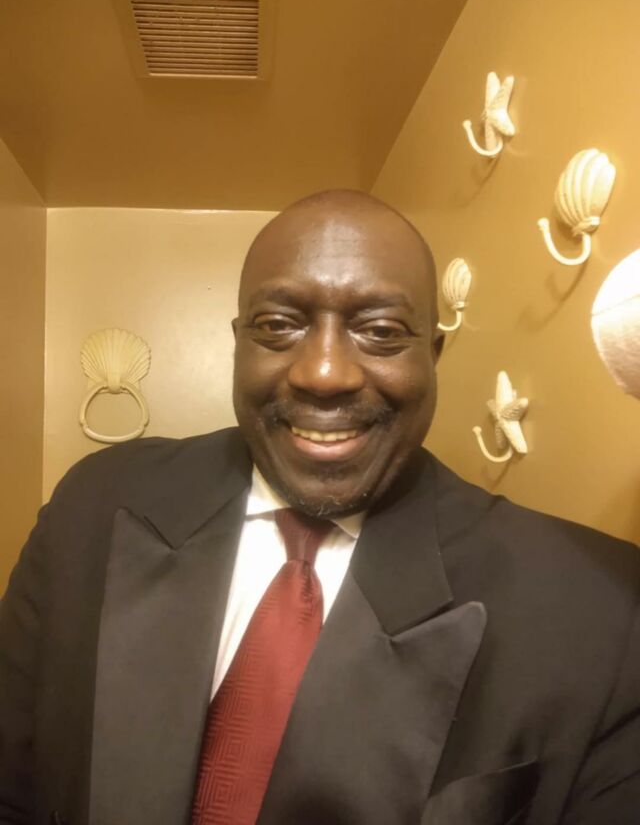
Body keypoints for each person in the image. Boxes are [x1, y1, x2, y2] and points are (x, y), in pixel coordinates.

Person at [1, 190, 639, 825]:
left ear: (433, 355)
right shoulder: (95, 506)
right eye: (279, 326)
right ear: (238, 343)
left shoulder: (601, 612)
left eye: (381, 332)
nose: (324, 372)